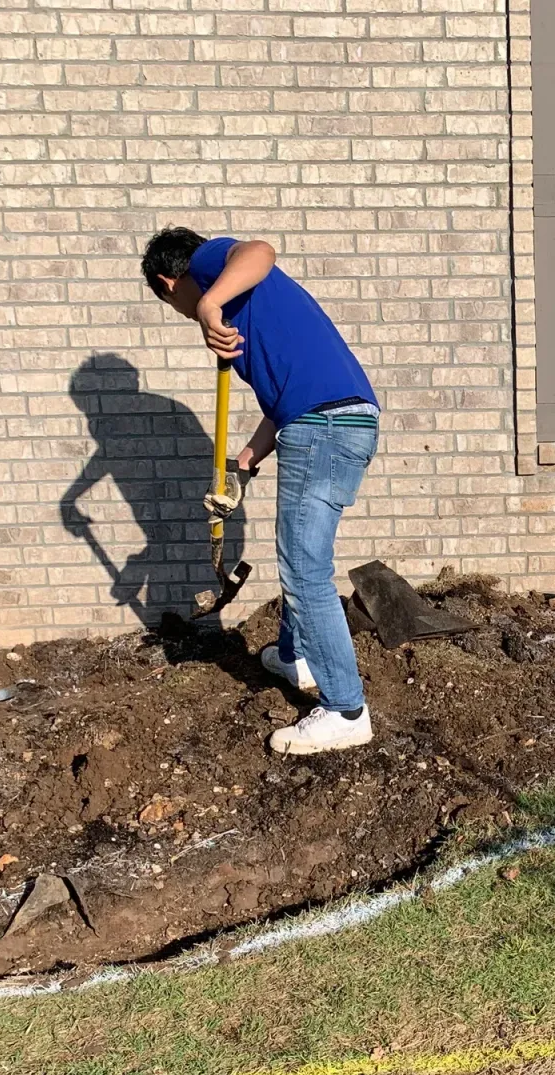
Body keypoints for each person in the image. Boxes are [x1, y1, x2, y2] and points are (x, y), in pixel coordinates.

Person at [143, 227, 381, 755]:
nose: (188, 313)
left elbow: (260, 251)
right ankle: (295, 656)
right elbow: (285, 403)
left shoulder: (210, 269)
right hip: (332, 420)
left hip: (324, 427)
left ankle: (345, 711)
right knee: (304, 560)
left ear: (168, 283)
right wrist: (244, 466)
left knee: (303, 569)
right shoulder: (250, 310)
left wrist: (207, 305)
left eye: (175, 302)